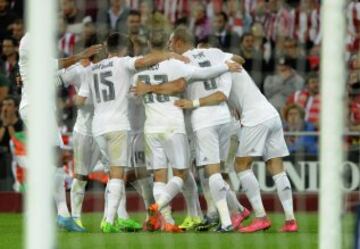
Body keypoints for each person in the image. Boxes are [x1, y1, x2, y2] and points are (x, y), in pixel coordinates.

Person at [76, 32, 192, 233]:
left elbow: (80, 100)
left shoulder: (91, 69)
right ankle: (109, 221)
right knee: (117, 175)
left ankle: (116, 218)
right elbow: (148, 59)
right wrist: (171, 55)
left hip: (97, 127)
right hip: (118, 125)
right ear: (123, 49)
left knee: (114, 173)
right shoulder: (123, 63)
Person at [131, 30, 241, 232]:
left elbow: (135, 97)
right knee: (181, 173)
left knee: (159, 176)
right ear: (166, 43)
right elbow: (199, 75)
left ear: (148, 44)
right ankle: (158, 207)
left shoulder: (137, 75)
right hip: (174, 126)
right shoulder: (177, 64)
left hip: (150, 128)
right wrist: (225, 66)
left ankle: (167, 221)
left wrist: (149, 88)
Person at [17, 32, 102, 232]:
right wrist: (81, 56)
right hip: (35, 107)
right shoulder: (29, 41)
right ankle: (57, 212)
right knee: (56, 157)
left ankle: (59, 213)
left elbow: (54, 77)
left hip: (38, 107)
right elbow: (55, 65)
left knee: (51, 161)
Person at [0, 96, 23, 190]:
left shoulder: (21, 124)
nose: (6, 108)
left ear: (16, 108)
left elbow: (17, 143)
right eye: (4, 105)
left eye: (9, 105)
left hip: (16, 160)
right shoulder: (1, 123)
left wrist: (9, 125)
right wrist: (4, 124)